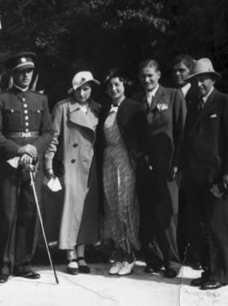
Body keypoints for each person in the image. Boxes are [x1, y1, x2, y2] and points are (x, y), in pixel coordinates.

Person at [0, 52, 53, 283]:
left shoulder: (40, 100)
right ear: (13, 74)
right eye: (21, 72)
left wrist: (33, 150)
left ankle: (23, 263)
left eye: (29, 71)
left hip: (33, 164)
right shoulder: (1, 99)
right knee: (7, 213)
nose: (26, 76)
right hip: (10, 165)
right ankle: (3, 266)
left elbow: (48, 132)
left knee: (29, 212)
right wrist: (18, 150)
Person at [181, 58, 228, 290]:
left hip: (218, 177)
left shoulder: (225, 102)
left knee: (217, 226)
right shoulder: (193, 104)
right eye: (195, 80)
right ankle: (208, 271)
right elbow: (188, 142)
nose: (199, 84)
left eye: (203, 79)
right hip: (196, 178)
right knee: (199, 227)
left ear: (212, 79)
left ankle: (220, 275)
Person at [133, 59, 186, 278]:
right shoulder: (136, 100)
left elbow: (182, 130)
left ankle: (172, 262)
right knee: (147, 213)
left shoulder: (173, 96)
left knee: (168, 213)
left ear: (158, 75)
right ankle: (153, 259)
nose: (146, 79)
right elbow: (134, 133)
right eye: (143, 76)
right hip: (145, 166)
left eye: (150, 75)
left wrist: (177, 163)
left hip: (168, 166)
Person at [44, 71, 101, 275]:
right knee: (69, 207)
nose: (83, 93)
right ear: (73, 89)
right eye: (80, 89)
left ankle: (82, 253)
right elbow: (53, 137)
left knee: (85, 209)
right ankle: (70, 255)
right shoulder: (63, 107)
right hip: (70, 164)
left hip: (90, 165)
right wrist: (49, 162)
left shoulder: (97, 109)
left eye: (87, 89)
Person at [97, 68, 148, 276]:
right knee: (111, 205)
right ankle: (118, 252)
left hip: (125, 159)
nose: (113, 88)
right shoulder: (104, 110)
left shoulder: (135, 107)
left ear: (124, 85)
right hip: (108, 160)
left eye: (117, 84)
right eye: (110, 86)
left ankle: (129, 254)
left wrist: (138, 156)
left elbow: (144, 136)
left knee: (125, 203)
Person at [172, 54, 201, 270]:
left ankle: (197, 254)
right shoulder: (173, 95)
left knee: (196, 211)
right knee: (178, 211)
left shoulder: (196, 95)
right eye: (175, 70)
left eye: (182, 70)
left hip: (195, 162)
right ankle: (179, 253)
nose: (177, 74)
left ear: (191, 72)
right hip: (177, 161)